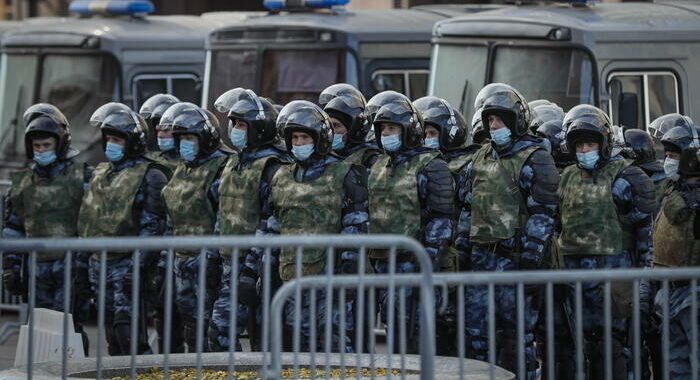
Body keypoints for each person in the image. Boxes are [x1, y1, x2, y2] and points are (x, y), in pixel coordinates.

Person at [463, 83, 559, 379]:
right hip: (481, 260)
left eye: (500, 119)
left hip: (513, 261)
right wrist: (462, 249)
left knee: (517, 339)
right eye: (490, 119)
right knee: (478, 338)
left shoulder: (535, 158)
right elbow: (468, 206)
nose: (494, 125)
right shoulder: (479, 157)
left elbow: (543, 214)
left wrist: (530, 260)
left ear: (516, 120)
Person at [558, 104, 655, 379]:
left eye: (590, 144)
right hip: (576, 281)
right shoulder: (567, 178)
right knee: (586, 349)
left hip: (614, 282)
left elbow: (645, 235)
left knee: (618, 350)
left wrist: (645, 286)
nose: (584, 151)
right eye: (579, 146)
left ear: (603, 144)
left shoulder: (626, 177)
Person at [270, 100, 368, 352]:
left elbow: (354, 227)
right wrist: (261, 268)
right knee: (296, 347)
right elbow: (272, 225)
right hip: (291, 277)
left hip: (331, 280)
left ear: (320, 139)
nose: (299, 143)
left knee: (334, 347)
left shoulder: (345, 174)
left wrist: (348, 273)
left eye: (305, 137)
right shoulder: (281, 176)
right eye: (295, 138)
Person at [367, 92, 455, 354]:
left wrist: (425, 262)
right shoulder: (379, 165)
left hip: (414, 265)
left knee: (417, 338)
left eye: (392, 128)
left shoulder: (430, 165)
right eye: (382, 128)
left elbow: (441, 219)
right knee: (395, 336)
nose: (386, 134)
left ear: (408, 130)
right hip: (383, 264)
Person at [79, 102, 170, 355]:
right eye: (108, 139)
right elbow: (89, 221)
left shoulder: (151, 175)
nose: (111, 145)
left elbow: (152, 227)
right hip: (100, 266)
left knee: (129, 334)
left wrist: (136, 268)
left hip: (128, 267)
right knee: (112, 336)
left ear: (132, 141)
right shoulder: (101, 173)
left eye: (117, 139)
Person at [2, 103, 92, 354]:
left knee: (71, 328)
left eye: (47, 145)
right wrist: (11, 268)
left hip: (71, 268)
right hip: (37, 269)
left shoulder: (83, 177)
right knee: (41, 328)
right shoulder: (21, 183)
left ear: (60, 144)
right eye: (37, 146)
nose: (41, 150)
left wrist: (87, 269)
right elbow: (13, 228)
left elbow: (90, 225)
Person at [208, 88, 292, 352]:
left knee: (263, 339)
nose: (235, 129)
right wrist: (214, 255)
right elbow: (224, 211)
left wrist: (250, 270)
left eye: (242, 124)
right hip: (230, 263)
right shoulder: (234, 163)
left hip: (260, 268)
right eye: (234, 124)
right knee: (219, 333)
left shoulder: (273, 165)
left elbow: (270, 222)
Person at [159, 102, 228, 353]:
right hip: (182, 262)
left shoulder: (221, 167)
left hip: (209, 263)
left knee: (210, 328)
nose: (185, 143)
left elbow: (223, 219)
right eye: (181, 138)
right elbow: (171, 217)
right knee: (190, 325)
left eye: (190, 137)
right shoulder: (183, 168)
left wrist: (212, 260)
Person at [653, 118, 700, 379]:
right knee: (676, 369)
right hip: (671, 293)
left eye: (674, 154)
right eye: (667, 153)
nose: (668, 159)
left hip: (694, 294)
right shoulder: (671, 190)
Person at [318, 83, 381, 168]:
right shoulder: (323, 157)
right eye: (329, 125)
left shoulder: (371, 160)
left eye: (336, 126)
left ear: (355, 130)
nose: (331, 131)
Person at [139, 94, 181, 172]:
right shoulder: (147, 160)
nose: (160, 135)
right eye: (158, 130)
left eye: (166, 130)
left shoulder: (189, 162)